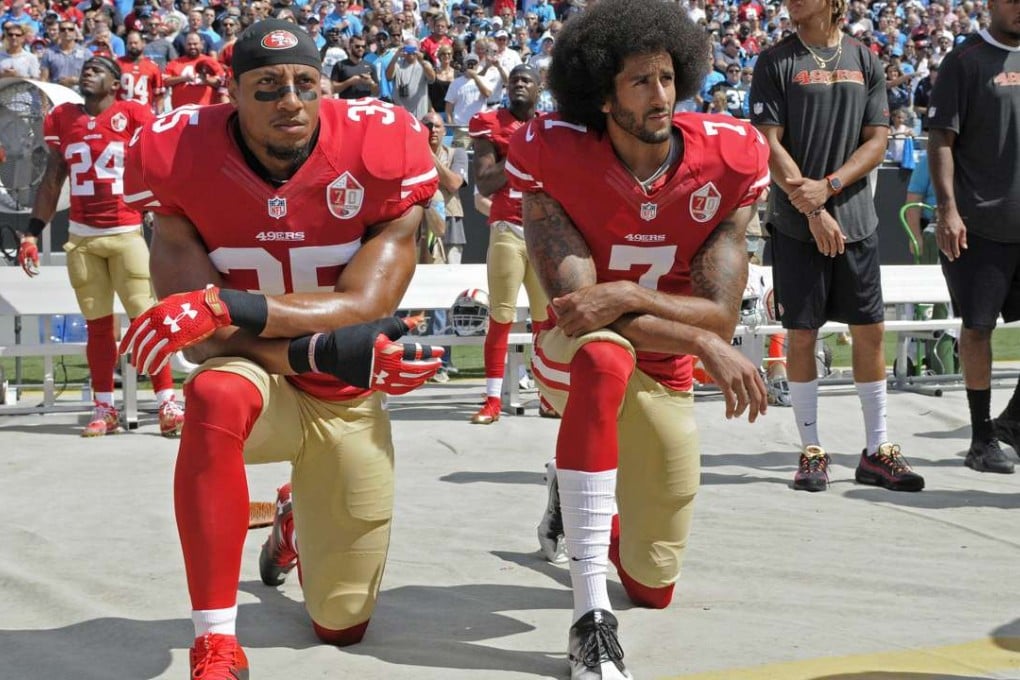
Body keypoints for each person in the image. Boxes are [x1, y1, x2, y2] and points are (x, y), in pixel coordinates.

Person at [117, 20, 443, 678]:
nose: (288, 99)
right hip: (260, 373)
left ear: (324, 88)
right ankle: (215, 640)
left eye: (303, 83)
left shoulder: (380, 145)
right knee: (212, 392)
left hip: (343, 398)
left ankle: (293, 524)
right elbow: (204, 342)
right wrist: (300, 353)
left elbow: (365, 305)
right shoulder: (177, 152)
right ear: (231, 93)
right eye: (266, 87)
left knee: (341, 625)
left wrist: (230, 303)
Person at [505, 1, 769, 676]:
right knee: (602, 353)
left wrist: (628, 294)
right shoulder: (553, 152)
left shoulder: (728, 158)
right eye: (640, 81)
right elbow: (576, 310)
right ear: (601, 93)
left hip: (667, 373)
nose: (662, 95)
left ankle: (575, 494)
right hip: (572, 354)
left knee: (654, 585)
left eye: (667, 77)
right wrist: (696, 337)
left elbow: (717, 316)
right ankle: (590, 616)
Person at [749, 0, 925, 493]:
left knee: (870, 331)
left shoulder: (864, 58)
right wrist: (811, 208)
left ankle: (877, 450)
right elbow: (768, 143)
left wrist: (828, 188)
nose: (791, 2)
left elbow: (877, 139)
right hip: (795, 224)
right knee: (802, 333)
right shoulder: (776, 61)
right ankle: (811, 451)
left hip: (856, 221)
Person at [17, 57, 184, 438]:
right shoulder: (64, 118)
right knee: (98, 328)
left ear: (115, 83)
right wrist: (31, 232)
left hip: (126, 232)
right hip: (82, 236)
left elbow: (161, 167)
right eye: (86, 67)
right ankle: (104, 406)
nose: (89, 71)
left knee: (148, 319)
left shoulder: (134, 113)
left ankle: (167, 404)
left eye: (98, 68)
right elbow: (52, 179)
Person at [928, 0, 1020, 475]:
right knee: (978, 329)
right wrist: (947, 210)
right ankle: (982, 437)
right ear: (990, 5)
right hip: (980, 223)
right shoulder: (964, 61)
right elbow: (941, 139)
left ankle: (1014, 421)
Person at [468, 64, 552, 424]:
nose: (519, 83)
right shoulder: (492, 123)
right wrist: (521, 149)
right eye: (514, 79)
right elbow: (485, 182)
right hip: (508, 227)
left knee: (546, 320)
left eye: (526, 80)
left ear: (539, 88)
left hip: (545, 231)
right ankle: (491, 401)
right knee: (501, 314)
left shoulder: (551, 127)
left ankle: (549, 395)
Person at [422, 111, 469, 263]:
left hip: (450, 223)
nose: (433, 130)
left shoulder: (458, 153)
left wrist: (428, 153)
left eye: (437, 126)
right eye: (428, 126)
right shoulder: (411, 155)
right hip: (419, 223)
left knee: (451, 277)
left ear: (444, 130)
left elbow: (454, 183)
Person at [165, 32, 228, 108]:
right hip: (181, 111)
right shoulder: (175, 63)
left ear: (201, 44)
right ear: (185, 45)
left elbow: (221, 84)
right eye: (189, 44)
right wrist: (183, 78)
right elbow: (165, 81)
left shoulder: (211, 62)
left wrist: (206, 80)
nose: (192, 47)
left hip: (205, 110)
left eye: (195, 44)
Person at [386, 37, 435, 119]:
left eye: (413, 49)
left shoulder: (425, 64)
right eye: (408, 48)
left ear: (418, 49)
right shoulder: (397, 63)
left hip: (419, 113)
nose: (411, 52)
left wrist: (421, 60)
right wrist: (396, 55)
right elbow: (388, 77)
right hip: (400, 112)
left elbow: (432, 79)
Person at [117, 30, 165, 112]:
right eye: (130, 43)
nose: (133, 45)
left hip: (144, 112)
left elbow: (159, 96)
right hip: (122, 112)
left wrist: (159, 115)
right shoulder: (117, 64)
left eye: (136, 43)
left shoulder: (153, 66)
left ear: (143, 43)